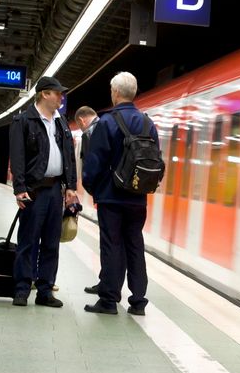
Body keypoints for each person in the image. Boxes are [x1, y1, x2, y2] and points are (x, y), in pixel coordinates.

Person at [82, 71, 157, 315]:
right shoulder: (148, 123)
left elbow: (95, 161)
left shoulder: (107, 122)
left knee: (112, 245)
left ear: (115, 93)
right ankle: (138, 301)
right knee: (135, 244)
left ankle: (109, 300)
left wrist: (92, 188)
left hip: (111, 197)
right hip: (138, 198)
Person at [9, 76, 79, 307]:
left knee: (51, 242)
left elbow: (69, 156)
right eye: (58, 93)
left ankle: (45, 291)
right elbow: (18, 158)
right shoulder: (24, 121)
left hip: (55, 191)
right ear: (45, 94)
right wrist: (19, 189)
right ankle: (21, 289)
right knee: (28, 240)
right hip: (34, 190)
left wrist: (71, 186)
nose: (61, 97)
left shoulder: (61, 122)